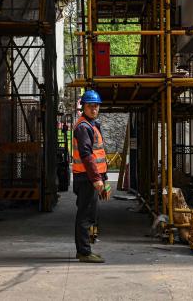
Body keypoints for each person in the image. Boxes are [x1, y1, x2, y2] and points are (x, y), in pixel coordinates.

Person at [72, 89, 110, 263]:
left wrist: (104, 179)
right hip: (86, 178)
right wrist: (96, 179)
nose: (94, 109)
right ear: (83, 107)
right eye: (90, 106)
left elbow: (98, 154)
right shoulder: (83, 127)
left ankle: (85, 250)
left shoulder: (92, 125)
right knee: (85, 215)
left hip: (90, 178)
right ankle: (84, 252)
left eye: (96, 106)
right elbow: (87, 155)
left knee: (89, 214)